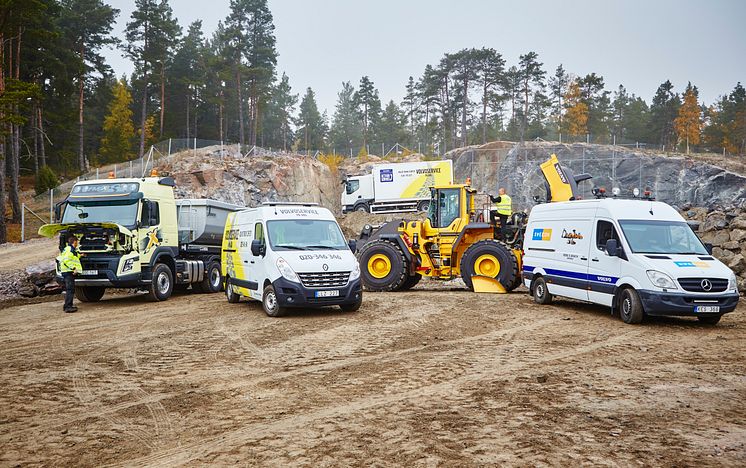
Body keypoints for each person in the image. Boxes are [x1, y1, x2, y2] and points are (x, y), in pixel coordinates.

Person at [58, 235, 83, 313]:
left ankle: (68, 305)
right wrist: (74, 268)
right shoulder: (69, 250)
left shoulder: (69, 249)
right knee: (70, 289)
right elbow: (66, 260)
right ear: (74, 242)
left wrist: (80, 255)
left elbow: (73, 257)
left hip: (67, 272)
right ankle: (68, 307)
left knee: (70, 289)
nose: (77, 244)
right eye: (77, 242)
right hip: (68, 272)